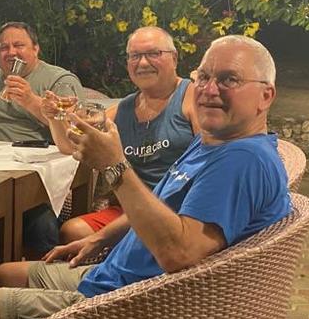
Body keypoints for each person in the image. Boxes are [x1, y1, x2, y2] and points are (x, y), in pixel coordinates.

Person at [0, 35, 291, 319]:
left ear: (265, 96)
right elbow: (163, 198)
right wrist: (101, 238)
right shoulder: (214, 142)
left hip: (133, 307)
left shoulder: (240, 160)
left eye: (229, 79)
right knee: (6, 273)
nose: (210, 89)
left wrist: (115, 166)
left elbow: (179, 253)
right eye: (204, 77)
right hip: (118, 272)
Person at [42, 26, 200, 247]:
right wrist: (55, 117)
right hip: (131, 207)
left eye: (153, 53)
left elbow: (209, 161)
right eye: (134, 56)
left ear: (174, 58)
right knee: (72, 231)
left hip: (177, 209)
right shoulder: (124, 108)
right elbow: (71, 146)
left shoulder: (193, 98)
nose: (142, 63)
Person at [0, 21, 82, 144]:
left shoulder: (60, 80)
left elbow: (75, 132)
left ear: (35, 49)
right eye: (4, 47)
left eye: (19, 45)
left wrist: (30, 101)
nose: (11, 52)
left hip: (34, 153)